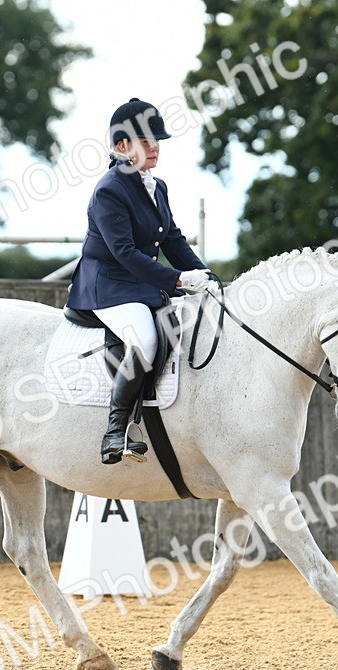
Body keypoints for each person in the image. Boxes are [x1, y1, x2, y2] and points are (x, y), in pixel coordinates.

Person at [66, 98, 215, 465]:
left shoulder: (156, 186)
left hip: (141, 284)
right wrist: (180, 279)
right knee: (146, 337)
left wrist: (209, 277)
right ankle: (115, 431)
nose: (154, 149)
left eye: (157, 142)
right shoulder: (109, 190)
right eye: (146, 142)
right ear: (121, 147)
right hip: (107, 286)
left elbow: (173, 240)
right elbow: (125, 254)